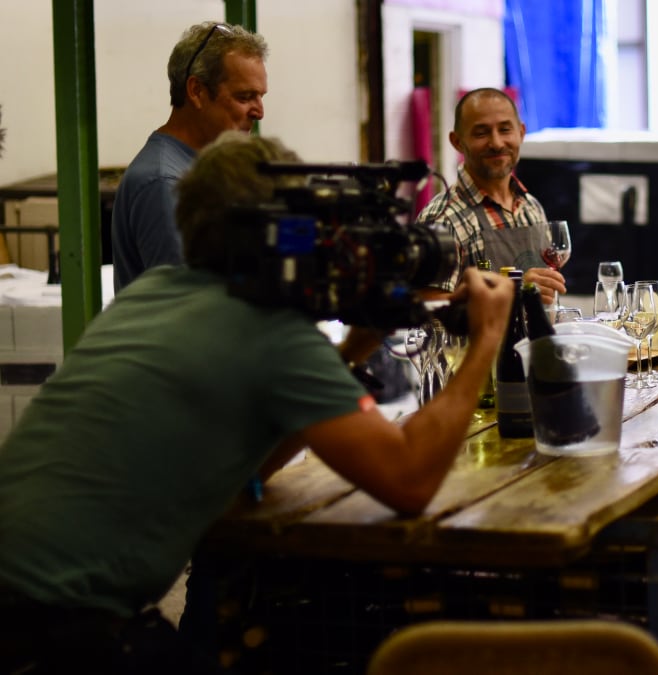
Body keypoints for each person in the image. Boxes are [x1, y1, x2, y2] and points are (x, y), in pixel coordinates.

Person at [0, 132, 513, 673]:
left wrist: (353, 348)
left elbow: (238, 471)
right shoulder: (273, 331)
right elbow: (408, 481)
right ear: (283, 229)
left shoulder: (149, 293)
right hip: (56, 630)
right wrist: (485, 341)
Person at [111, 21, 268, 292]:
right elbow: (186, 305)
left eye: (260, 97)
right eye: (244, 97)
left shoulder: (205, 169)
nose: (259, 112)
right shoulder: (164, 182)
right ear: (196, 91)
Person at [416, 87, 563, 304]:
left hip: (534, 339)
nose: (496, 143)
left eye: (505, 130)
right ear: (457, 142)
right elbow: (427, 305)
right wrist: (513, 293)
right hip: (478, 340)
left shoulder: (532, 207)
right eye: (481, 133)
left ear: (521, 133)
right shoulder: (442, 219)